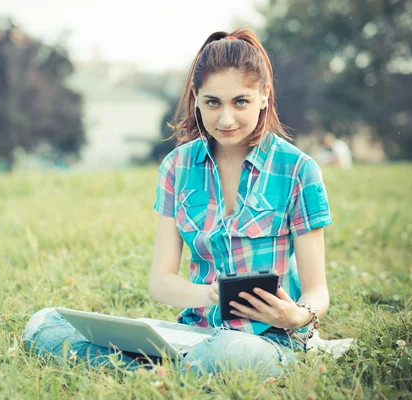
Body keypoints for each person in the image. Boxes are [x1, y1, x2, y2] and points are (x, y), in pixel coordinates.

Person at [23, 28, 349, 379]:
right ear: (196, 98)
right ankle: (174, 369)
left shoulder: (299, 170)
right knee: (44, 327)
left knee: (229, 353)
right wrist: (209, 294)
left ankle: (155, 372)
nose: (225, 120)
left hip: (271, 339)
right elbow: (161, 282)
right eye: (213, 102)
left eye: (240, 101)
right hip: (196, 335)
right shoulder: (176, 167)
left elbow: (317, 291)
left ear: (264, 96)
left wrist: (298, 316)